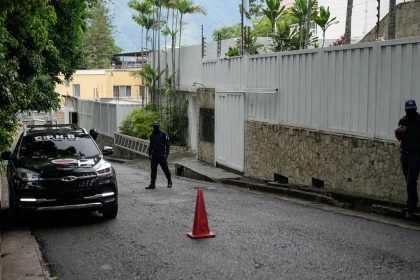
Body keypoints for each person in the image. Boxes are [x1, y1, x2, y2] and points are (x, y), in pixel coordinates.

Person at [395, 99, 420, 219]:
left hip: (416, 155)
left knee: (411, 181)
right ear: (406, 110)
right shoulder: (403, 121)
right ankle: (411, 205)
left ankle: (411, 208)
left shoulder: (419, 121)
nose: (411, 112)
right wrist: (396, 131)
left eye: (413, 110)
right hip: (405, 154)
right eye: (409, 110)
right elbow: (399, 138)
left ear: (416, 109)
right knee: (408, 181)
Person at [146, 121, 172, 189]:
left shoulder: (164, 134)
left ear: (159, 126)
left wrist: (166, 154)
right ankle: (152, 184)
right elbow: (151, 146)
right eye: (154, 126)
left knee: (165, 169)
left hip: (161, 155)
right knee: (153, 170)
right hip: (154, 155)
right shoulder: (152, 135)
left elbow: (168, 144)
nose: (155, 128)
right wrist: (150, 154)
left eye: (156, 126)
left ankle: (169, 182)